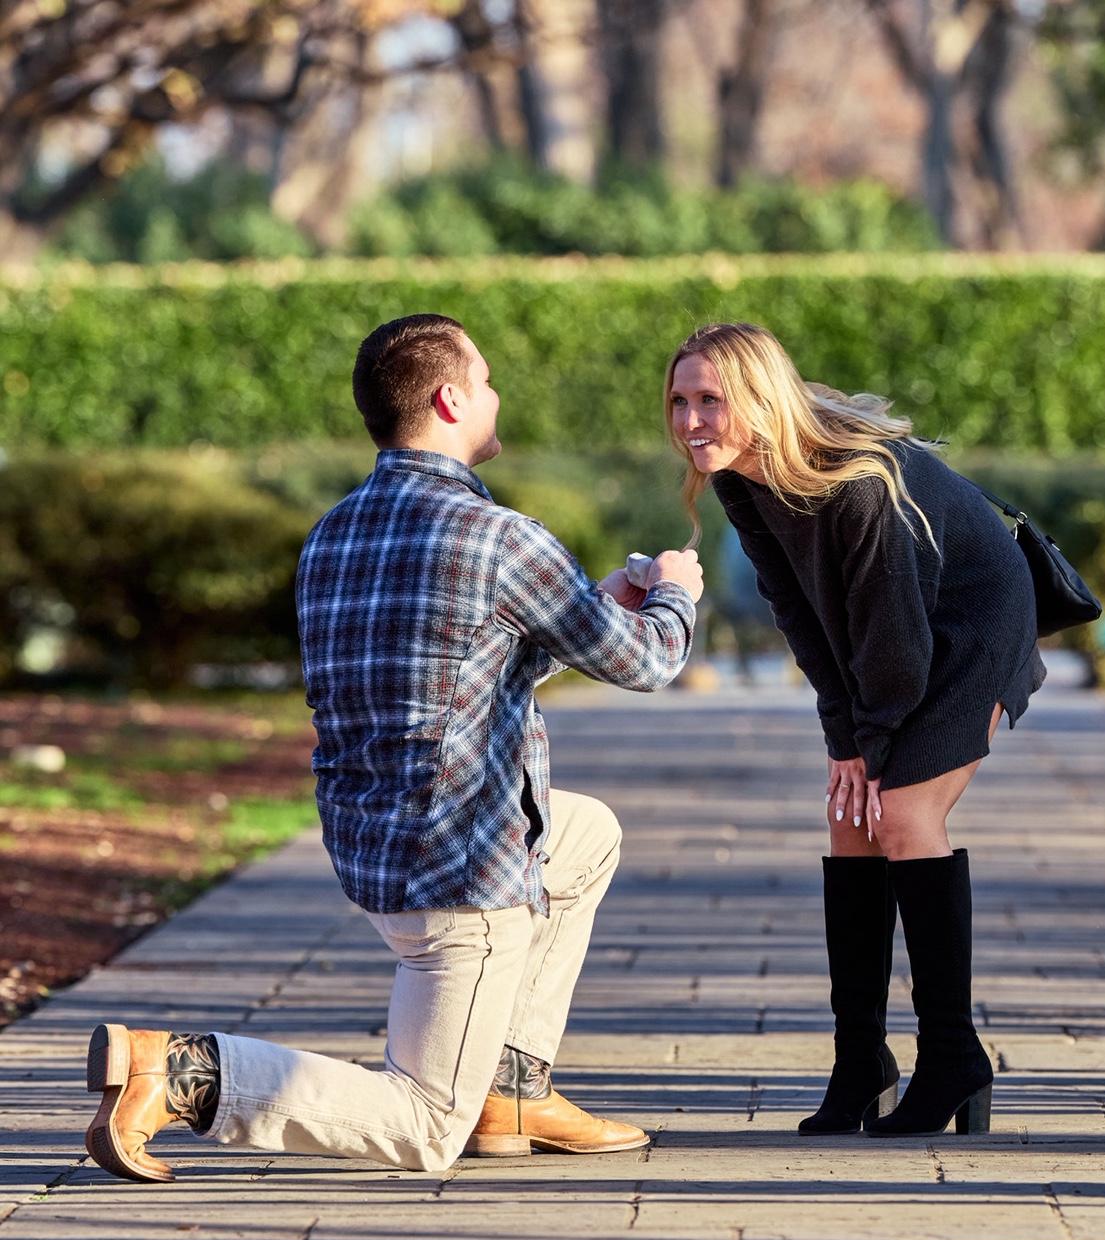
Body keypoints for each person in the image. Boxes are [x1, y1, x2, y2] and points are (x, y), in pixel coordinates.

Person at [83, 313, 704, 1183]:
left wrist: (581, 609)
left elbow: (464, 672)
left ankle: (510, 1090)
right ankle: (186, 1073)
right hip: (464, 870)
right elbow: (648, 661)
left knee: (586, 833)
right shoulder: (499, 538)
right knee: (424, 1127)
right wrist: (673, 595)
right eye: (486, 381)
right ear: (450, 400)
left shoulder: (332, 534)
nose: (496, 396)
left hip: (375, 850)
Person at [664, 322, 1044, 1138]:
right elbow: (799, 614)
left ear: (760, 400)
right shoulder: (742, 478)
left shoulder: (856, 483)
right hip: (896, 636)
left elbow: (896, 645)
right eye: (680, 401)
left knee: (902, 816)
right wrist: (844, 740)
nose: (692, 421)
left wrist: (873, 746)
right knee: (850, 820)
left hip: (971, 623)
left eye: (711, 401)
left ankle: (954, 1057)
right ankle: (861, 1061)